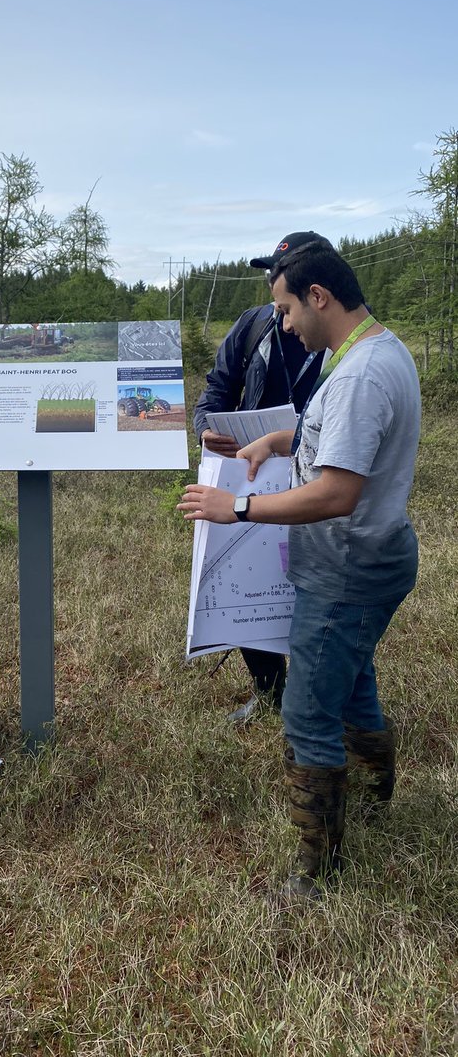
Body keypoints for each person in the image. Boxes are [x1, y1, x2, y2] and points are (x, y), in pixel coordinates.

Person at [178, 232, 420, 902]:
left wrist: (240, 508)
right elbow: (338, 444)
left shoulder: (359, 376)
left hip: (347, 569)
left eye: (286, 309)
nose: (281, 324)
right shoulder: (377, 350)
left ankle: (317, 873)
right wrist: (284, 438)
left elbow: (338, 492)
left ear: (319, 296)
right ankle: (374, 802)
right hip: (376, 555)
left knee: (309, 713)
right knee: (354, 685)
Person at [193, 243, 324, 724]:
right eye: (272, 276)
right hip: (249, 474)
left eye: (283, 278)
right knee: (249, 580)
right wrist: (206, 427)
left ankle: (318, 694)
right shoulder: (252, 326)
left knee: (314, 586)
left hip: (315, 475)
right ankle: (269, 690)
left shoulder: (341, 339)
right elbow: (215, 389)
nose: (280, 310)